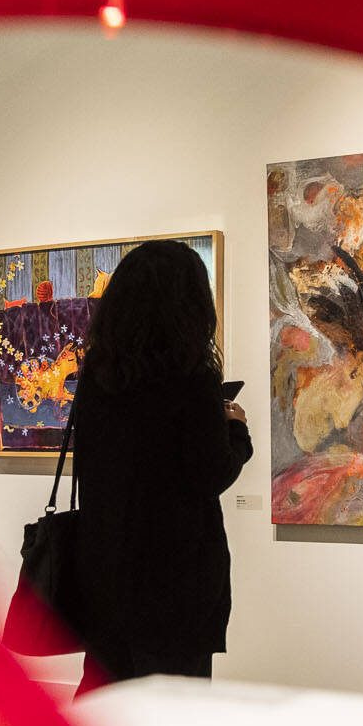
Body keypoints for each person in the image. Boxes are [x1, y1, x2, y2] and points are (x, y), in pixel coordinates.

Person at [71, 240, 252, 691]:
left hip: (107, 573)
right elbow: (209, 474)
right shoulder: (192, 380)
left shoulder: (98, 376)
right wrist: (235, 430)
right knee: (175, 714)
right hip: (175, 582)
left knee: (107, 703)